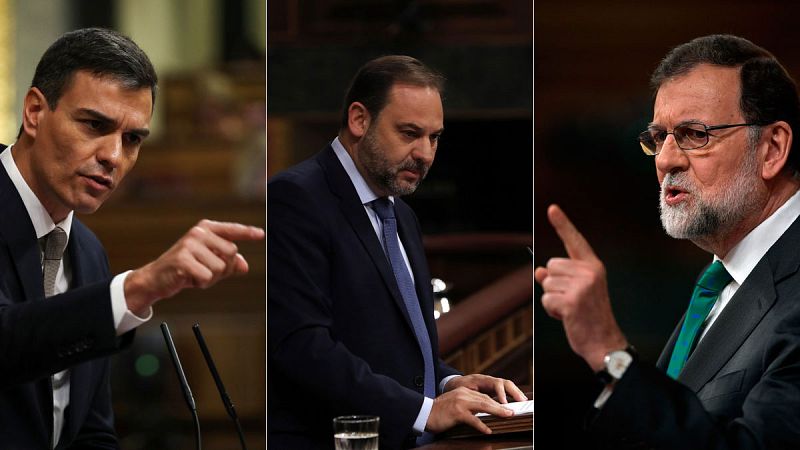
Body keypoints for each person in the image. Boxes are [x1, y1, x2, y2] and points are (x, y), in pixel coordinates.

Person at [0, 28, 264, 448]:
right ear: (34, 111)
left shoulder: (88, 253)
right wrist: (136, 288)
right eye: (93, 125)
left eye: (132, 139)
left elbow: (92, 429)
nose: (114, 157)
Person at [536, 34, 800, 448]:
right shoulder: (722, 277)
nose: (665, 160)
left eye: (695, 134)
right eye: (659, 138)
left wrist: (610, 353)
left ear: (772, 148)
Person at [268, 55, 526, 450]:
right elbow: (303, 346)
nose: (425, 153)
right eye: (409, 133)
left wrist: (450, 381)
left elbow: (392, 351)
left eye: (434, 137)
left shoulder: (401, 214)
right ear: (359, 120)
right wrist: (423, 412)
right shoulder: (295, 198)